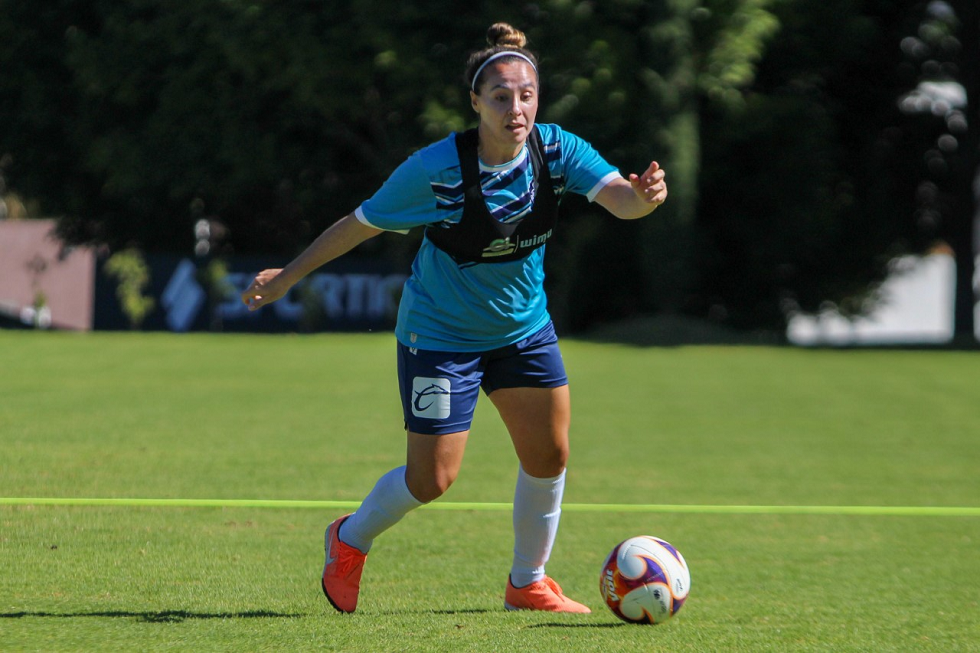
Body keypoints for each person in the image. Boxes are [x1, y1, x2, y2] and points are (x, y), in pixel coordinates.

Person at [241, 22, 667, 614]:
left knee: (549, 456)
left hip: (523, 331)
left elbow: (619, 198)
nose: (515, 108)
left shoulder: (558, 150)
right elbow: (358, 224)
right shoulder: (434, 169)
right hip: (440, 336)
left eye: (525, 95)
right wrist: (286, 276)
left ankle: (528, 582)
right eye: (500, 96)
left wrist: (641, 200)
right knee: (432, 480)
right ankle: (349, 538)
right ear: (475, 101)